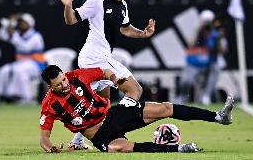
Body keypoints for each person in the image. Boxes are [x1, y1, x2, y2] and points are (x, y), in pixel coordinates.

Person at [55, 0, 155, 149]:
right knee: (135, 90)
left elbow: (125, 28)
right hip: (94, 58)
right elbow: (71, 20)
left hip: (100, 58)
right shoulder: (97, 1)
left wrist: (142, 34)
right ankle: (114, 127)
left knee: (100, 105)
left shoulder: (123, 5)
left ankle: (77, 141)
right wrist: (68, 5)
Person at [39, 65, 234, 153]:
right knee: (119, 148)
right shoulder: (50, 105)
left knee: (163, 108)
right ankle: (180, 149)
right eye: (58, 84)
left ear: (65, 74)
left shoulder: (77, 76)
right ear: (50, 87)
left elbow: (104, 71)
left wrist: (114, 79)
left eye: (63, 79)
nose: (64, 85)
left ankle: (218, 116)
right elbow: (44, 136)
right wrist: (49, 147)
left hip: (114, 114)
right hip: (99, 136)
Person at [0, 13, 47, 104]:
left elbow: (25, 47)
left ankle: (25, 98)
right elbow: (2, 35)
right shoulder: (17, 34)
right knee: (4, 70)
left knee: (19, 70)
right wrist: (7, 25)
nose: (21, 24)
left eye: (23, 22)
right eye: (20, 22)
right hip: (21, 63)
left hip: (36, 65)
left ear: (30, 23)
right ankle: (3, 95)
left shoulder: (36, 36)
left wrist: (13, 35)